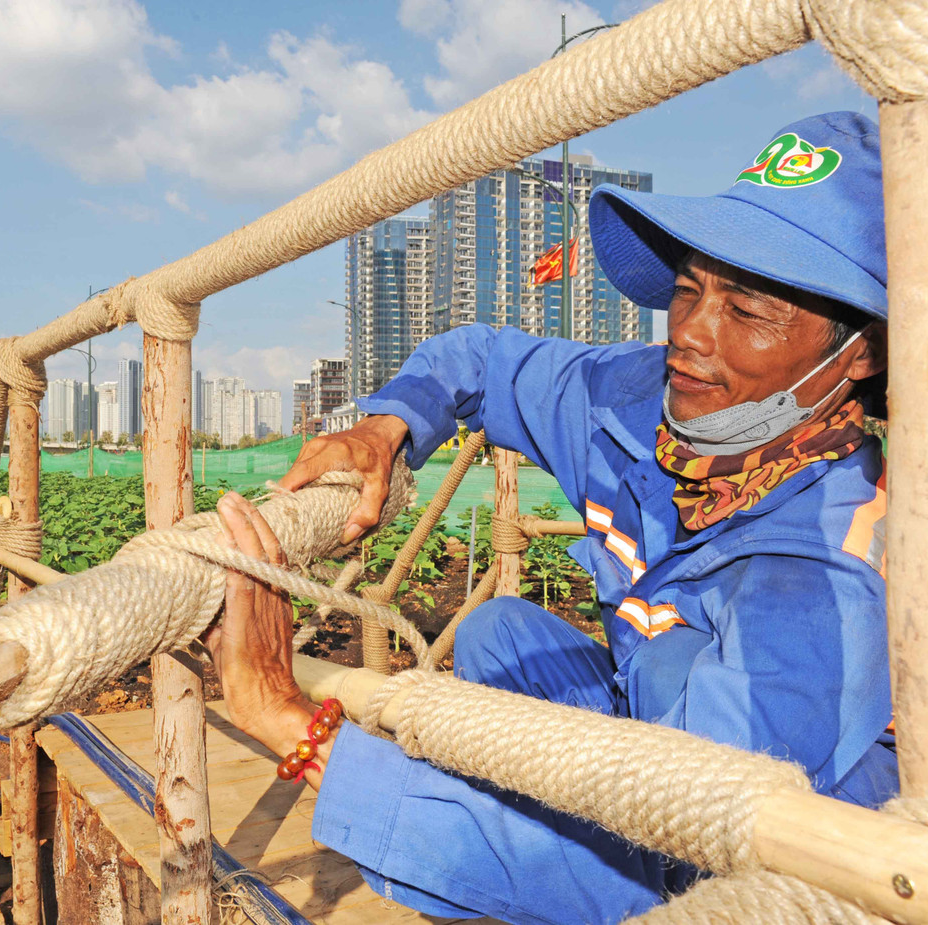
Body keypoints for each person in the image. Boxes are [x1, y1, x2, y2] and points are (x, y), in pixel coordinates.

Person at [203, 111, 893, 923]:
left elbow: (679, 844)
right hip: (656, 723)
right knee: (499, 631)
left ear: (857, 355)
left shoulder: (828, 578)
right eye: (688, 290)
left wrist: (289, 719)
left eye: (748, 313)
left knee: (635, 863)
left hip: (773, 861)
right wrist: (387, 427)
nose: (691, 337)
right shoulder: (637, 401)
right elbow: (483, 361)